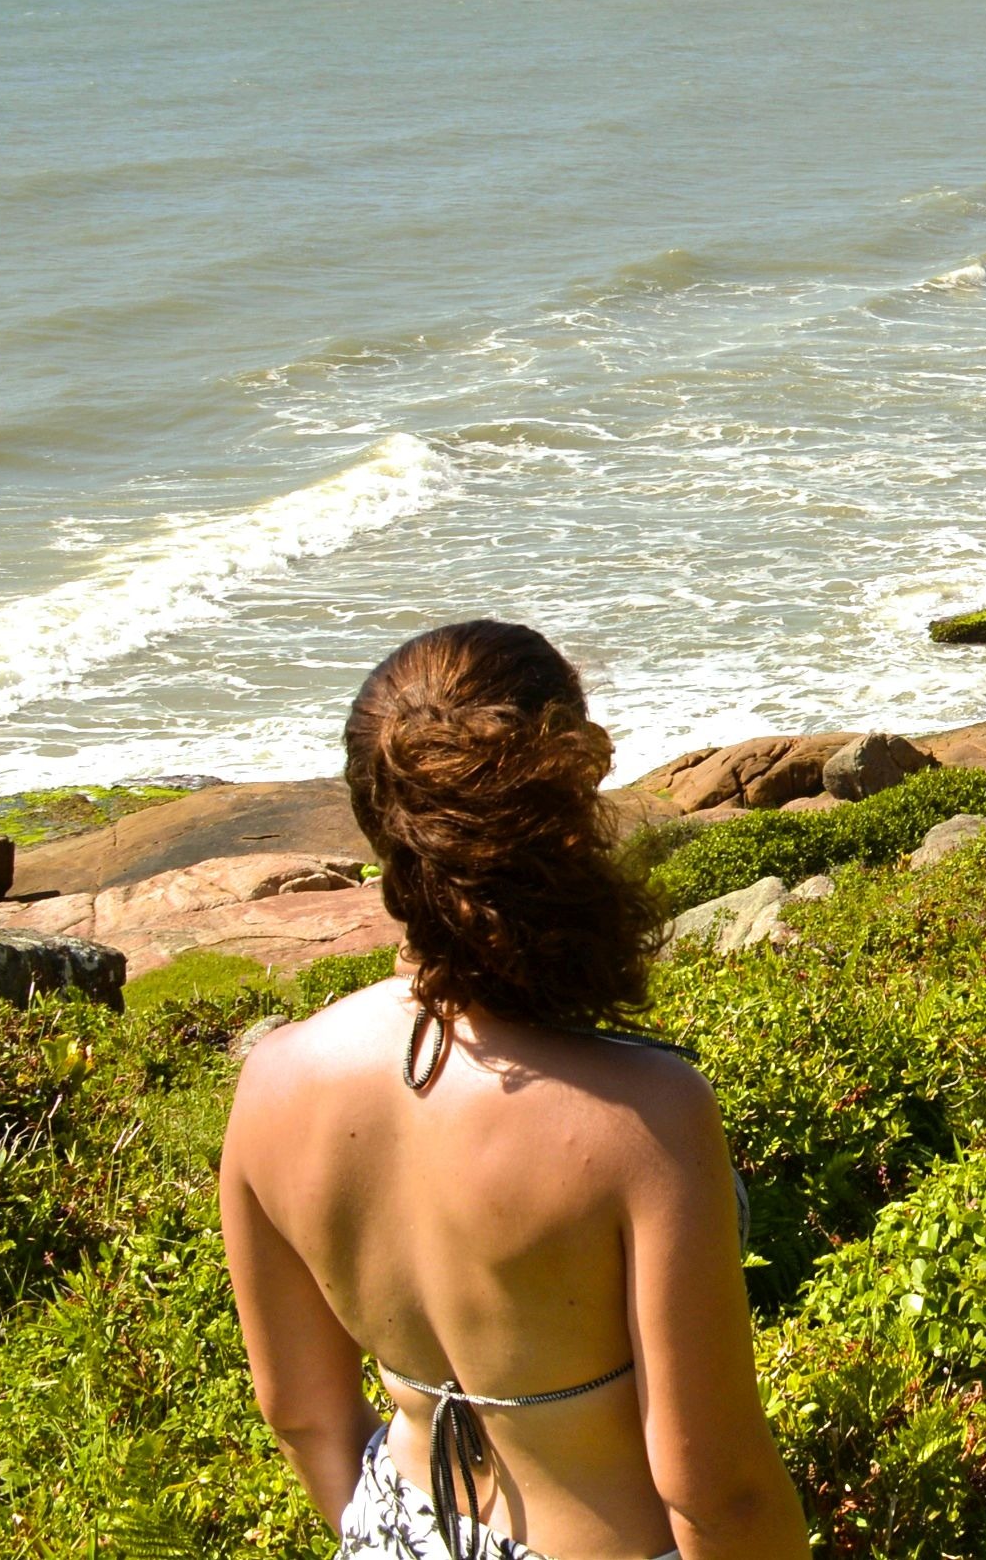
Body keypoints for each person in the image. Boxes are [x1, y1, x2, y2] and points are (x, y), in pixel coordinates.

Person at [220, 622, 810, 1560]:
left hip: (390, 1531)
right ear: (568, 799)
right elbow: (718, 1494)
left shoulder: (275, 1080)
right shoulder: (642, 1117)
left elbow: (302, 1416)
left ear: (379, 817)